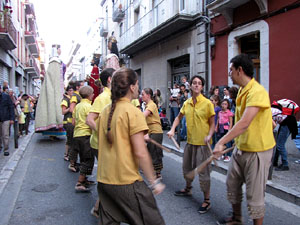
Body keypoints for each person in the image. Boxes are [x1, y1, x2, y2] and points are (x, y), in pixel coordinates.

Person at [97, 68, 165, 225]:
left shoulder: (105, 112)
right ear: (132, 87)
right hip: (125, 182)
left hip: (104, 181)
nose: (139, 89)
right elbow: (141, 153)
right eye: (137, 84)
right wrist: (154, 181)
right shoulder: (133, 112)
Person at [214, 54, 275, 225]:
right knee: (232, 184)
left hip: (257, 152)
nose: (229, 73)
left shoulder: (257, 91)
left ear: (239, 70)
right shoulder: (242, 90)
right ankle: (237, 218)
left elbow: (245, 122)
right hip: (240, 148)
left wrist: (221, 141)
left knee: (254, 195)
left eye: (231, 70)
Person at [167, 75, 215, 214]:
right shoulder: (187, 103)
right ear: (190, 85)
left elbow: (213, 124)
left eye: (199, 83)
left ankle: (207, 200)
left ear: (202, 87)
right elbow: (178, 117)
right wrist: (172, 129)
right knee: (187, 169)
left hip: (203, 145)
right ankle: (188, 189)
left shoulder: (207, 103)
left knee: (204, 174)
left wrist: (210, 135)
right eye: (194, 83)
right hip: (190, 143)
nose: (196, 85)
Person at [86, 68, 115, 217]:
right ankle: (99, 208)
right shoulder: (103, 97)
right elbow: (90, 120)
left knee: (110, 176)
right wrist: (104, 133)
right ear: (110, 79)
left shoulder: (114, 96)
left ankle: (100, 207)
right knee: (109, 177)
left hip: (110, 145)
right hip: (101, 144)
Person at [35, 44, 65, 133]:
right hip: (55, 88)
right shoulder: (54, 61)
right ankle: (54, 124)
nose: (60, 51)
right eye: (60, 49)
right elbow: (54, 78)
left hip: (56, 87)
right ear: (57, 50)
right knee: (54, 103)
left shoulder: (55, 61)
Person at [73, 86, 94, 192]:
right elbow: (90, 121)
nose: (93, 95)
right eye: (92, 93)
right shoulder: (89, 106)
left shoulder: (78, 106)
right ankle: (79, 182)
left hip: (77, 134)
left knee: (82, 157)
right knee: (88, 158)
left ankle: (84, 179)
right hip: (85, 134)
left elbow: (73, 121)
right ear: (89, 95)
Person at [142, 88, 164, 178]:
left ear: (148, 95)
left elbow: (143, 116)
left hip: (156, 131)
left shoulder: (152, 105)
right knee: (150, 151)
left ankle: (157, 173)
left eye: (143, 94)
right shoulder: (147, 105)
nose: (141, 96)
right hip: (150, 131)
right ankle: (152, 171)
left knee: (155, 151)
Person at [0, 84, 15, 156]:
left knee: (5, 134)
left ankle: (6, 149)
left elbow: (11, 107)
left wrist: (12, 118)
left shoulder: (6, 97)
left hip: (6, 118)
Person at [61, 86, 74, 161]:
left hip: (71, 121)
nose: (72, 92)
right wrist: (71, 108)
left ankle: (70, 154)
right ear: (67, 91)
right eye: (71, 90)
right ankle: (66, 154)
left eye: (73, 90)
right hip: (67, 122)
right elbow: (63, 112)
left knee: (71, 139)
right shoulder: (65, 100)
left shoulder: (71, 99)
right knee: (69, 139)